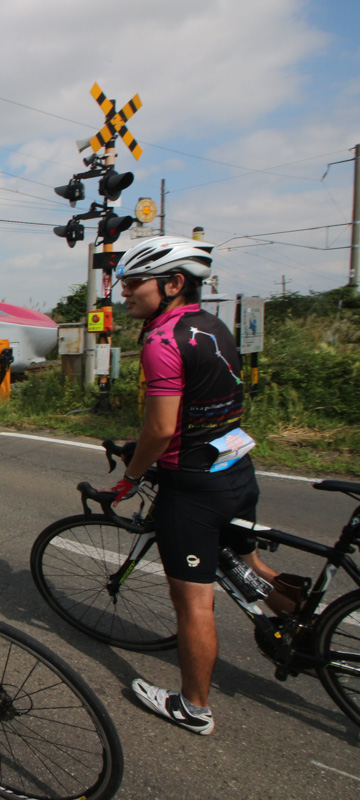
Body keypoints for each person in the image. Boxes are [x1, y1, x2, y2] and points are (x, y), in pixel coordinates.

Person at [106, 236, 308, 736]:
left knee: (194, 602)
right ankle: (310, 623)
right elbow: (200, 407)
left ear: (172, 284)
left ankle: (193, 707)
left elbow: (161, 431)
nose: (123, 292)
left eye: (133, 283)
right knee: (251, 562)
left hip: (193, 487)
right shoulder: (212, 325)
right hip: (237, 470)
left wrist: (130, 479)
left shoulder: (160, 340)